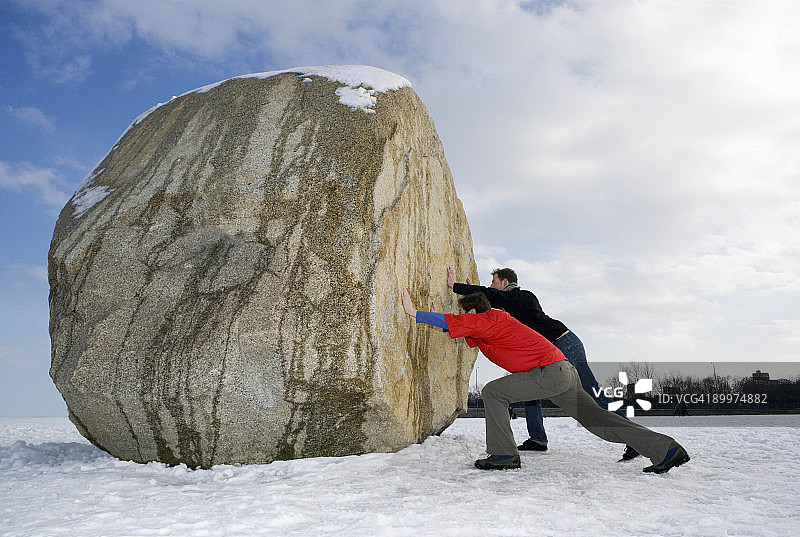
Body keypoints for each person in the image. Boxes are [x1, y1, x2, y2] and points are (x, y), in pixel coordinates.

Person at [401, 287, 690, 473]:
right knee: (598, 420)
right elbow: (459, 330)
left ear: (475, 311)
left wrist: (415, 314)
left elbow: (455, 322)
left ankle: (503, 455)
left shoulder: (492, 317)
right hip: (563, 373)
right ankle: (666, 449)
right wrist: (456, 285)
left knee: (492, 392)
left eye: (465, 312)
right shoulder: (488, 328)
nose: (463, 317)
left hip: (550, 373)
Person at [447, 266, 639, 462]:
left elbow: (495, 298)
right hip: (546, 356)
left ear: (505, 283)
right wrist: (476, 298)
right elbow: (487, 311)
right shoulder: (510, 305)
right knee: (531, 389)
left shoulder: (521, 296)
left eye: (494, 282)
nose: (491, 286)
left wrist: (458, 287)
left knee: (591, 392)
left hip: (564, 344)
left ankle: (635, 438)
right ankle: (538, 438)